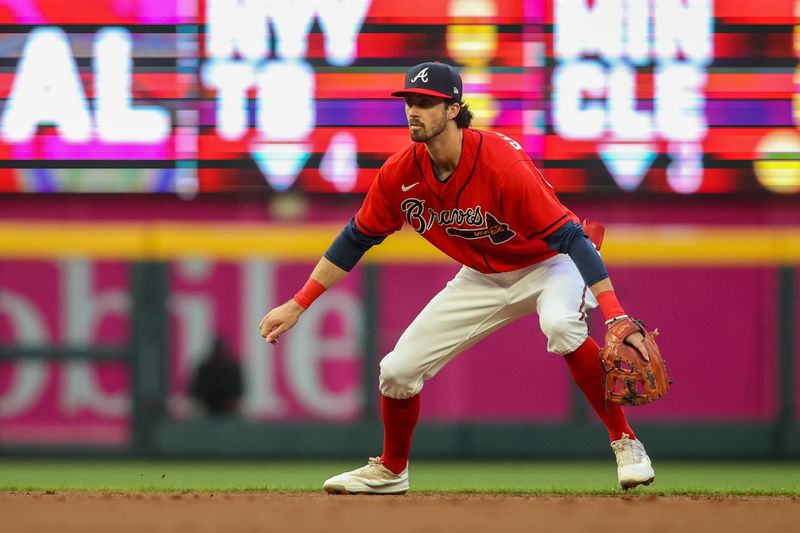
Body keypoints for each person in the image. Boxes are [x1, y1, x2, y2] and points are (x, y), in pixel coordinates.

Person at [259, 61, 655, 494]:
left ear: (453, 109)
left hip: (548, 264)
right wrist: (299, 303)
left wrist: (615, 314)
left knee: (561, 325)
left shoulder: (502, 163)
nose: (414, 110)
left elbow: (572, 238)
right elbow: (356, 238)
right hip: (482, 277)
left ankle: (625, 441)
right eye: (410, 101)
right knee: (397, 370)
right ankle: (391, 470)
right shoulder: (400, 173)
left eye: (426, 102)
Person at [190, 336, 244, 417]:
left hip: (229, 407)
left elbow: (238, 392)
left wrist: (230, 402)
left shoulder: (232, 369)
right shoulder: (204, 368)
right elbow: (196, 392)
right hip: (205, 406)